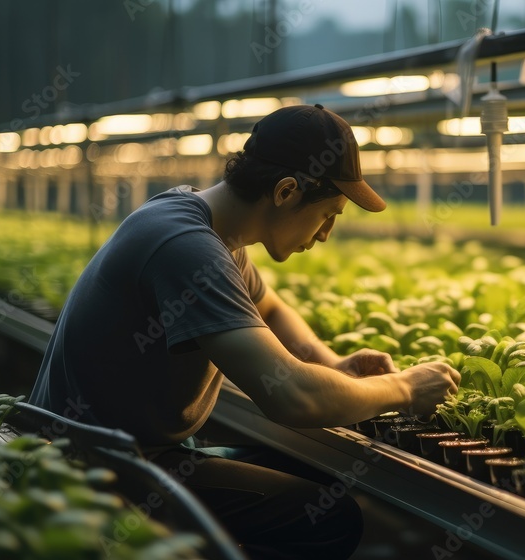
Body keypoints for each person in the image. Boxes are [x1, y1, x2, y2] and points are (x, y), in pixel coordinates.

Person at [29, 103, 461, 559]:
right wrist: (404, 388)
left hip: (129, 451)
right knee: (326, 516)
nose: (326, 234)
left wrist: (331, 362)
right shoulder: (187, 248)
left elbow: (270, 308)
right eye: (328, 214)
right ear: (286, 191)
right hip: (96, 470)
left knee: (319, 479)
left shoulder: (205, 227)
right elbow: (291, 397)